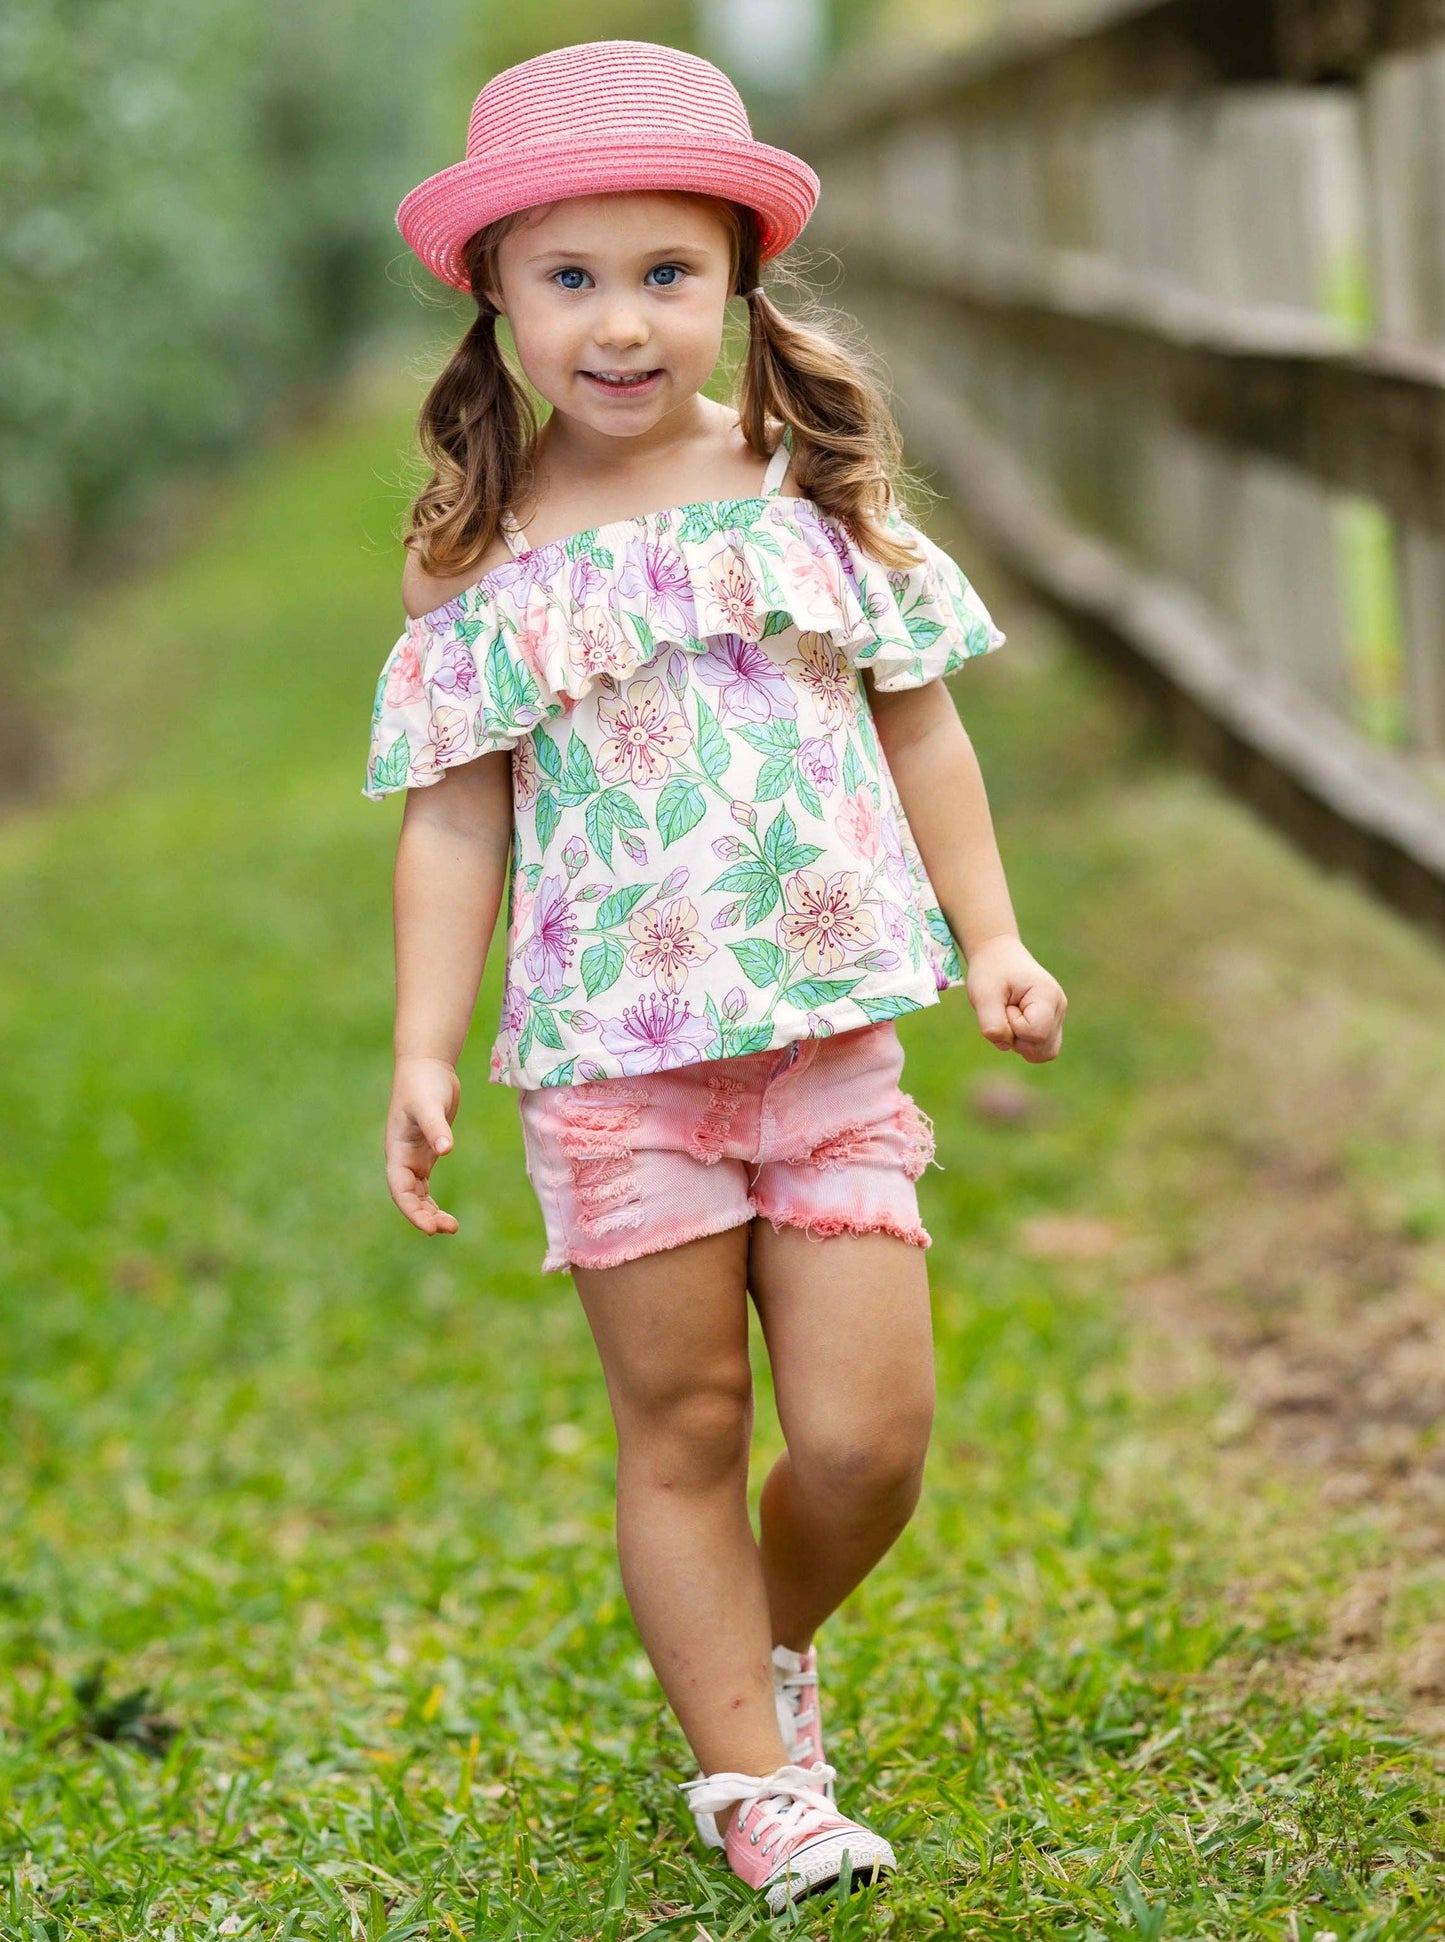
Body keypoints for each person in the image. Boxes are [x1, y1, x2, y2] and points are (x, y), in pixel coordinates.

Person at [365, 38, 1067, 1918]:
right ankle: (752, 1782)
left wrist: (987, 933)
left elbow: (920, 729)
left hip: (828, 1032)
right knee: (679, 1424)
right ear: (496, 296)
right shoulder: (482, 550)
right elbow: (454, 820)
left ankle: (752, 1647)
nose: (618, 323)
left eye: (664, 274)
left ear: (734, 281)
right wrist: (427, 1047)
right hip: (613, 1057)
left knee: (861, 1437)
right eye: (568, 278)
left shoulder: (807, 483)